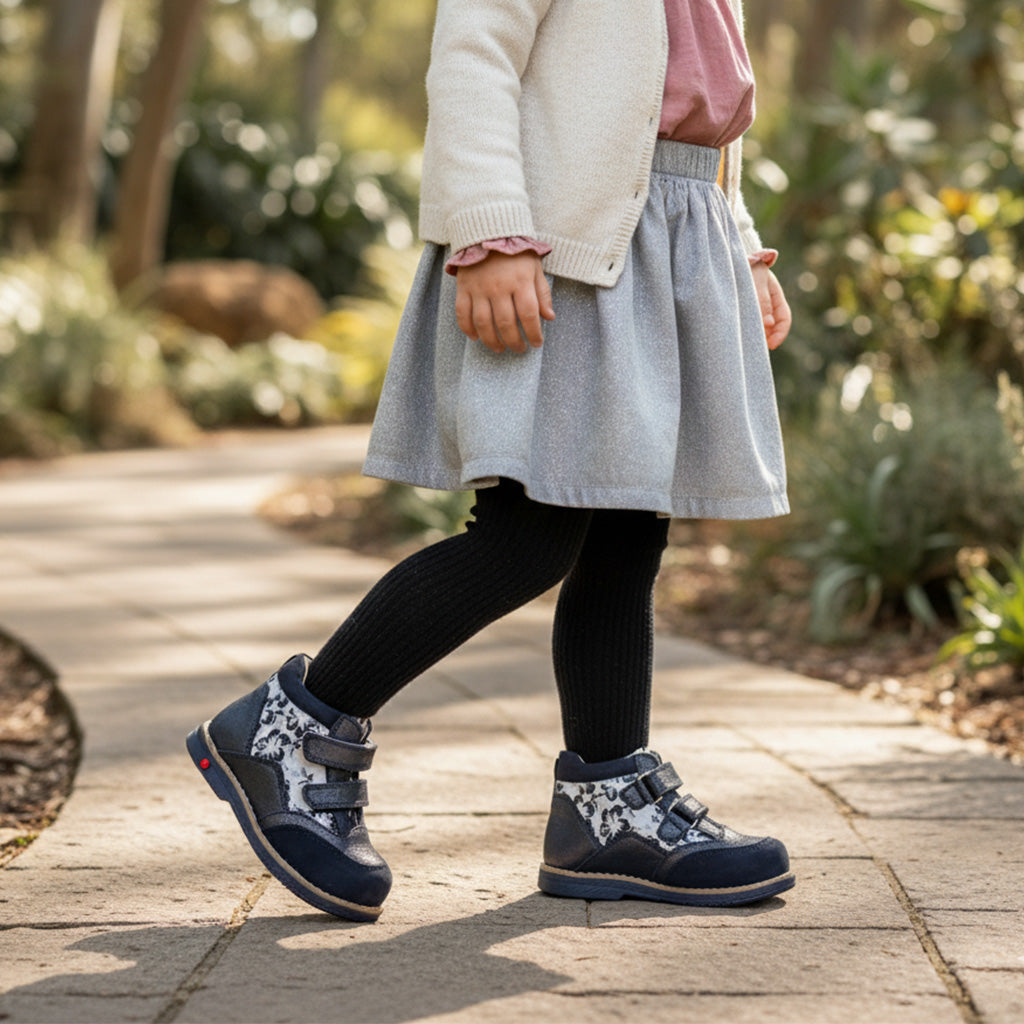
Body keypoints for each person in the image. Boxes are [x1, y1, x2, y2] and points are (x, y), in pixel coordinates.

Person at [187, 0, 795, 922]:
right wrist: (487, 229)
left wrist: (740, 251)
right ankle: (293, 730)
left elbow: (696, 118)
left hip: (673, 235)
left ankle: (606, 803)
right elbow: (473, 55)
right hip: (556, 247)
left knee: (625, 537)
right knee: (531, 534)